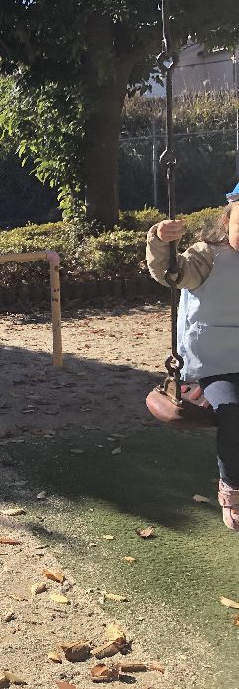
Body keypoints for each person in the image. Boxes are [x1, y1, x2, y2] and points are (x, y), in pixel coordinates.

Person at [146, 182, 239, 530]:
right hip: (216, 365)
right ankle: (232, 487)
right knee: (232, 412)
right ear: (226, 221)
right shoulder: (207, 257)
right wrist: (162, 241)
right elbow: (172, 272)